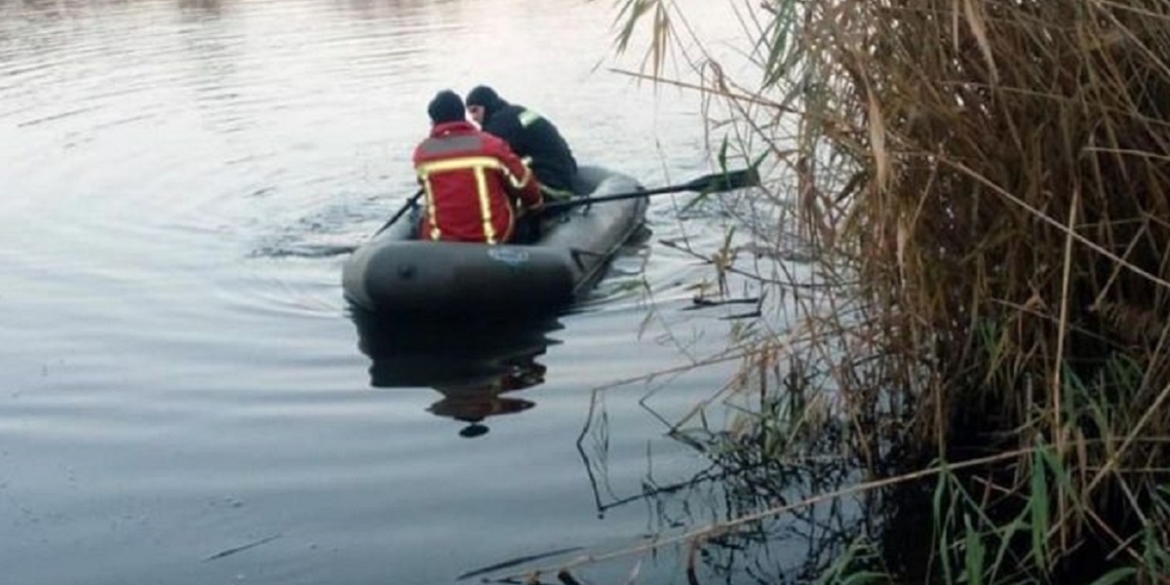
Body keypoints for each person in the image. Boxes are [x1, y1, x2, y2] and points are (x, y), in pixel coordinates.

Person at [413, 90, 543, 244]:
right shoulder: (491, 146)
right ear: (462, 115)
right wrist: (536, 205)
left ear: (433, 121)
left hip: (441, 243)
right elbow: (523, 184)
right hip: (490, 240)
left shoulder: (422, 154)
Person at [465, 85, 579, 200]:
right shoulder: (516, 112)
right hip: (568, 171)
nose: (473, 118)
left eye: (475, 110)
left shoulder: (497, 126)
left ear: (487, 105)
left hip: (551, 184)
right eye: (470, 113)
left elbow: (484, 156)